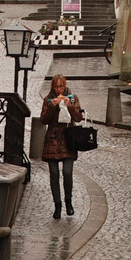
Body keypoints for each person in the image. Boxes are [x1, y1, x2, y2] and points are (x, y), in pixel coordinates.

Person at [41, 75, 83, 220]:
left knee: (67, 172)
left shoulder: (72, 97)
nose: (59, 89)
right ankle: (57, 205)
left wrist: (69, 106)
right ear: (53, 87)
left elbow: (78, 118)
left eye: (61, 86)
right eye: (56, 86)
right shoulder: (48, 99)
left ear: (65, 86)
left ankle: (69, 202)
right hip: (52, 140)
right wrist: (52, 106)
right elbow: (43, 120)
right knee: (54, 174)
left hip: (68, 139)